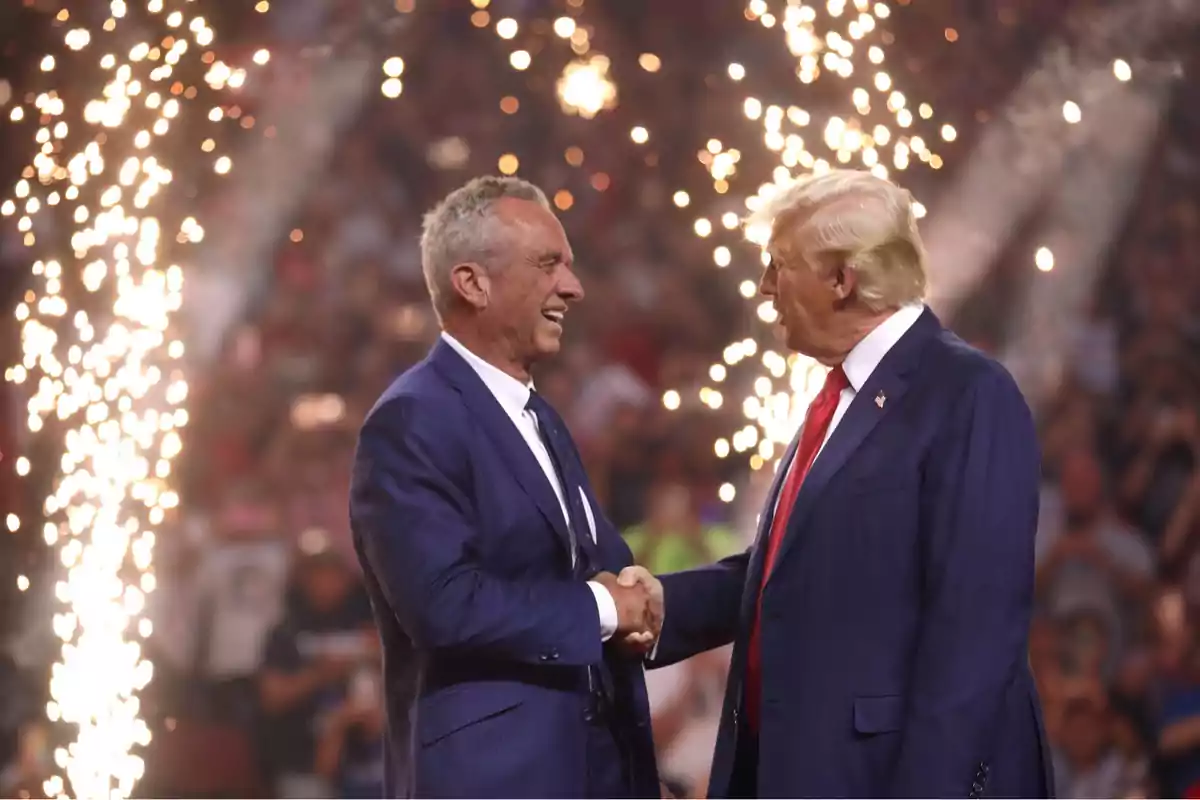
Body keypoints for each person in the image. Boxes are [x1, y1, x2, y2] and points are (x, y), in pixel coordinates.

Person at [620, 169, 1054, 797]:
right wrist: (665, 606)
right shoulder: (839, 398)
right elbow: (786, 571)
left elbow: (975, 634)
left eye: (778, 265)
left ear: (842, 279)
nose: (765, 288)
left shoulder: (966, 394)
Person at [350, 176, 661, 797]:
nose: (572, 287)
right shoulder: (414, 418)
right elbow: (443, 604)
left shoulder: (541, 418)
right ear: (472, 283)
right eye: (548, 264)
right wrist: (605, 608)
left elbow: (604, 578)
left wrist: (704, 590)